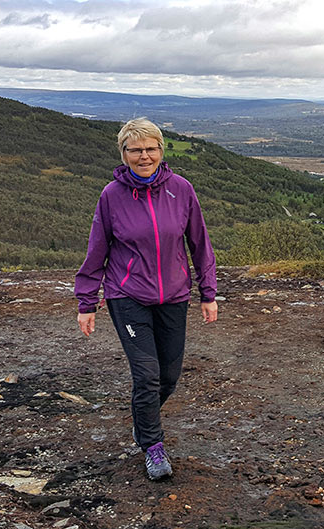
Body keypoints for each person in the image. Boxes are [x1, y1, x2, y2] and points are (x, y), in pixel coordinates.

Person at [74, 117, 218, 480]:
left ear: (161, 151)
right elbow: (97, 250)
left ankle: (143, 421)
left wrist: (208, 292)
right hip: (128, 296)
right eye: (135, 149)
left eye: (150, 148)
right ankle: (153, 447)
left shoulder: (181, 189)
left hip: (173, 295)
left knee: (169, 376)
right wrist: (87, 302)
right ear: (123, 154)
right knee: (147, 374)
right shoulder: (112, 196)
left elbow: (199, 243)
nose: (144, 156)